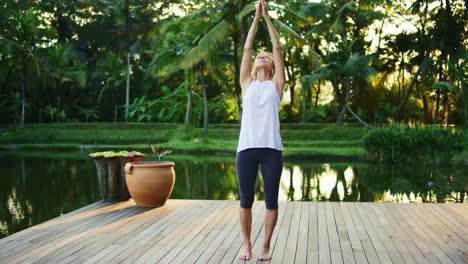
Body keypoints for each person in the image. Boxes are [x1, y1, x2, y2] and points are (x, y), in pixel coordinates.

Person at [235, 0, 285, 261]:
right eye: (259, 57)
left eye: (267, 57)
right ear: (254, 66)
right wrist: (255, 18)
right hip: (246, 149)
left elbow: (277, 47)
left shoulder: (277, 85)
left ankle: (265, 246)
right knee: (245, 200)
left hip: (271, 151)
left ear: (273, 67)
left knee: (271, 200)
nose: (263, 56)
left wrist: (267, 19)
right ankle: (247, 245)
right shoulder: (247, 84)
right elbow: (247, 48)